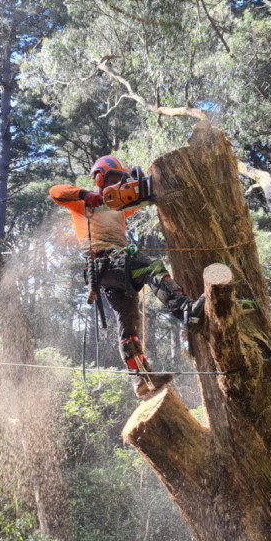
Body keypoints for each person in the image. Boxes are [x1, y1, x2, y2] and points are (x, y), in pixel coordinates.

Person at [49, 155, 205, 398]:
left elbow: (141, 197)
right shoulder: (83, 205)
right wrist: (84, 195)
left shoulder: (119, 207)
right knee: (152, 268)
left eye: (119, 181)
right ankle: (184, 310)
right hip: (105, 264)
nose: (115, 185)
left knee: (128, 326)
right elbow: (55, 192)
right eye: (112, 179)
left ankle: (141, 379)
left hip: (115, 270)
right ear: (99, 178)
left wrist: (143, 184)